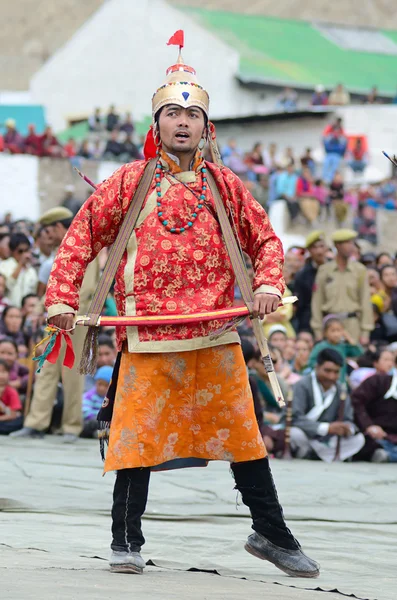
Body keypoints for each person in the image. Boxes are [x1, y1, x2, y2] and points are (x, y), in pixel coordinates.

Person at [43, 38, 319, 577]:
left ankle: (271, 533)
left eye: (194, 113)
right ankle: (127, 541)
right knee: (134, 441)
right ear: (157, 124)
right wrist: (59, 299)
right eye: (173, 112)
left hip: (214, 331)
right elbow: (79, 240)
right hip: (146, 334)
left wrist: (265, 284)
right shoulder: (128, 181)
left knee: (244, 435)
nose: (184, 122)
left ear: (207, 126)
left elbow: (265, 241)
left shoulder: (226, 185)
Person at [12, 208, 100, 442]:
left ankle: (71, 426)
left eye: (49, 231)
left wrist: (67, 312)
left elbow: (87, 288)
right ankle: (36, 423)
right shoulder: (62, 250)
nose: (46, 236)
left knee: (71, 371)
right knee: (47, 368)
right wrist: (41, 307)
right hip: (56, 316)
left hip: (76, 318)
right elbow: (54, 285)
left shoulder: (85, 246)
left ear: (60, 227)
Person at [289, 349, 364, 461]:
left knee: (359, 439)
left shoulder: (341, 389)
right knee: (294, 434)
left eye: (336, 372)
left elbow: (348, 419)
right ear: (317, 367)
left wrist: (347, 429)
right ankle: (323, 455)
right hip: (306, 433)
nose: (331, 376)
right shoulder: (302, 385)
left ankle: (314, 454)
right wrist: (326, 428)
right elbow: (295, 418)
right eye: (327, 371)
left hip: (327, 440)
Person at [311, 230, 373, 345]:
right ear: (337, 246)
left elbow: (365, 301)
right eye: (347, 243)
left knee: (353, 359)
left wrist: (365, 332)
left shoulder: (359, 270)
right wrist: (318, 331)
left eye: (352, 243)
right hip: (330, 323)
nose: (351, 247)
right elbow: (317, 301)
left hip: (353, 323)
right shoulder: (324, 271)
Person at [352, 369, 397, 462]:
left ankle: (389, 456)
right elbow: (356, 402)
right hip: (373, 436)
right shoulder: (378, 381)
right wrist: (369, 425)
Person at [308, 317, 363, 383]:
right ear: (325, 332)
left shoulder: (343, 346)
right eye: (333, 331)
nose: (336, 334)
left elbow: (360, 353)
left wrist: (350, 340)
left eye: (339, 330)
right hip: (324, 382)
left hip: (340, 381)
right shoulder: (320, 346)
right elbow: (311, 362)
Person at [293, 231, 326, 333]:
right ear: (310, 251)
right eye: (315, 248)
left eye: (321, 246)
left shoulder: (335, 270)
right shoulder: (302, 275)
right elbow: (300, 305)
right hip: (310, 322)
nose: (319, 251)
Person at [0, 233, 38, 307]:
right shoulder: (3, 266)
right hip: (9, 310)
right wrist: (20, 264)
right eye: (20, 251)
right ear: (12, 251)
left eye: (26, 250)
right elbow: (8, 286)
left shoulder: (31, 270)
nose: (24, 254)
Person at [82, 365, 113, 438]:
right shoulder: (89, 395)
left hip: (106, 423)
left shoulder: (112, 399)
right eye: (100, 384)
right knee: (88, 425)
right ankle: (101, 434)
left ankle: (101, 434)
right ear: (95, 383)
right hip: (92, 421)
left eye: (106, 385)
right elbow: (85, 410)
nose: (102, 388)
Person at [0, 359, 23, 435]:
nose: (1, 375)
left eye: (4, 372)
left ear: (9, 374)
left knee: (18, 422)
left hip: (9, 419)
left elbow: (12, 415)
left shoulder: (11, 391)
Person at [322, 118, 347, 184]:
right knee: (326, 164)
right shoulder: (330, 136)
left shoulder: (341, 138)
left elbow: (342, 147)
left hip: (336, 154)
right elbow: (326, 144)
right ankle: (325, 178)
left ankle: (331, 178)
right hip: (329, 154)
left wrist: (340, 152)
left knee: (334, 165)